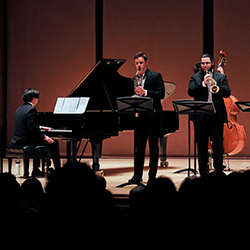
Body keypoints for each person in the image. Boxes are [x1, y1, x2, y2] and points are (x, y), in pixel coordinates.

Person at [188, 54, 231, 176]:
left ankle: (218, 173)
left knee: (217, 146)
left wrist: (217, 85)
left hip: (215, 116)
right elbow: (191, 91)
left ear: (212, 63)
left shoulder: (220, 76)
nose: (205, 66)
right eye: (202, 63)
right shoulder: (195, 77)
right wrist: (203, 84)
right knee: (201, 147)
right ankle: (203, 174)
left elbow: (227, 93)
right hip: (201, 117)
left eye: (207, 63)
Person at [128, 52, 165, 184]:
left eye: (141, 63)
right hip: (139, 118)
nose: (139, 65)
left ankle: (152, 176)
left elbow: (161, 93)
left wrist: (146, 92)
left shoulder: (155, 76)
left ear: (146, 63)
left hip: (154, 117)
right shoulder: (133, 80)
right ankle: (137, 175)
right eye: (137, 63)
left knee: (153, 147)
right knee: (139, 147)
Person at [11, 88, 61, 177]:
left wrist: (41, 127)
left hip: (18, 140)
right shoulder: (31, 110)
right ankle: (58, 170)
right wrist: (44, 137)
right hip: (26, 141)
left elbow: (26, 126)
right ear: (34, 98)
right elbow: (32, 129)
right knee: (54, 143)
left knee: (38, 141)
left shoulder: (19, 109)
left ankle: (36, 169)